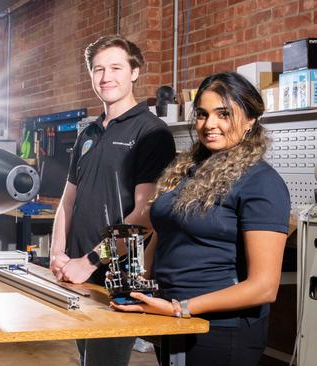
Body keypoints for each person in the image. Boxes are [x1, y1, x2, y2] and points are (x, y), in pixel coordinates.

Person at [112, 72, 290, 366]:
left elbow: (264, 286)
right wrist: (140, 284)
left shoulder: (261, 182)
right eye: (202, 114)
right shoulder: (187, 170)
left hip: (220, 330)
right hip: (171, 316)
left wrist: (180, 308)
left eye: (224, 114)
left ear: (250, 119)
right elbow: (165, 229)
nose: (210, 125)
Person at [49, 35, 176, 366]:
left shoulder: (152, 132)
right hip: (77, 275)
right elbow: (67, 202)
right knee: (85, 358)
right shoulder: (88, 133)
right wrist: (57, 253)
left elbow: (144, 216)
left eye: (116, 67)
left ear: (134, 71)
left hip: (117, 278)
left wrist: (88, 260)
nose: (106, 77)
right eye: (98, 69)